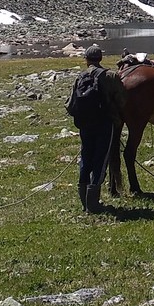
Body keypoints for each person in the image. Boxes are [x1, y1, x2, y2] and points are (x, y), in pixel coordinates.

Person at [67, 46, 124, 214]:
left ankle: (84, 202)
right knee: (101, 159)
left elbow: (70, 105)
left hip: (85, 125)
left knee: (86, 158)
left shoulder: (80, 77)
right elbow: (122, 100)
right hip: (105, 124)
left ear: (86, 59)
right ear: (100, 58)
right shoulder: (110, 76)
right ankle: (94, 203)